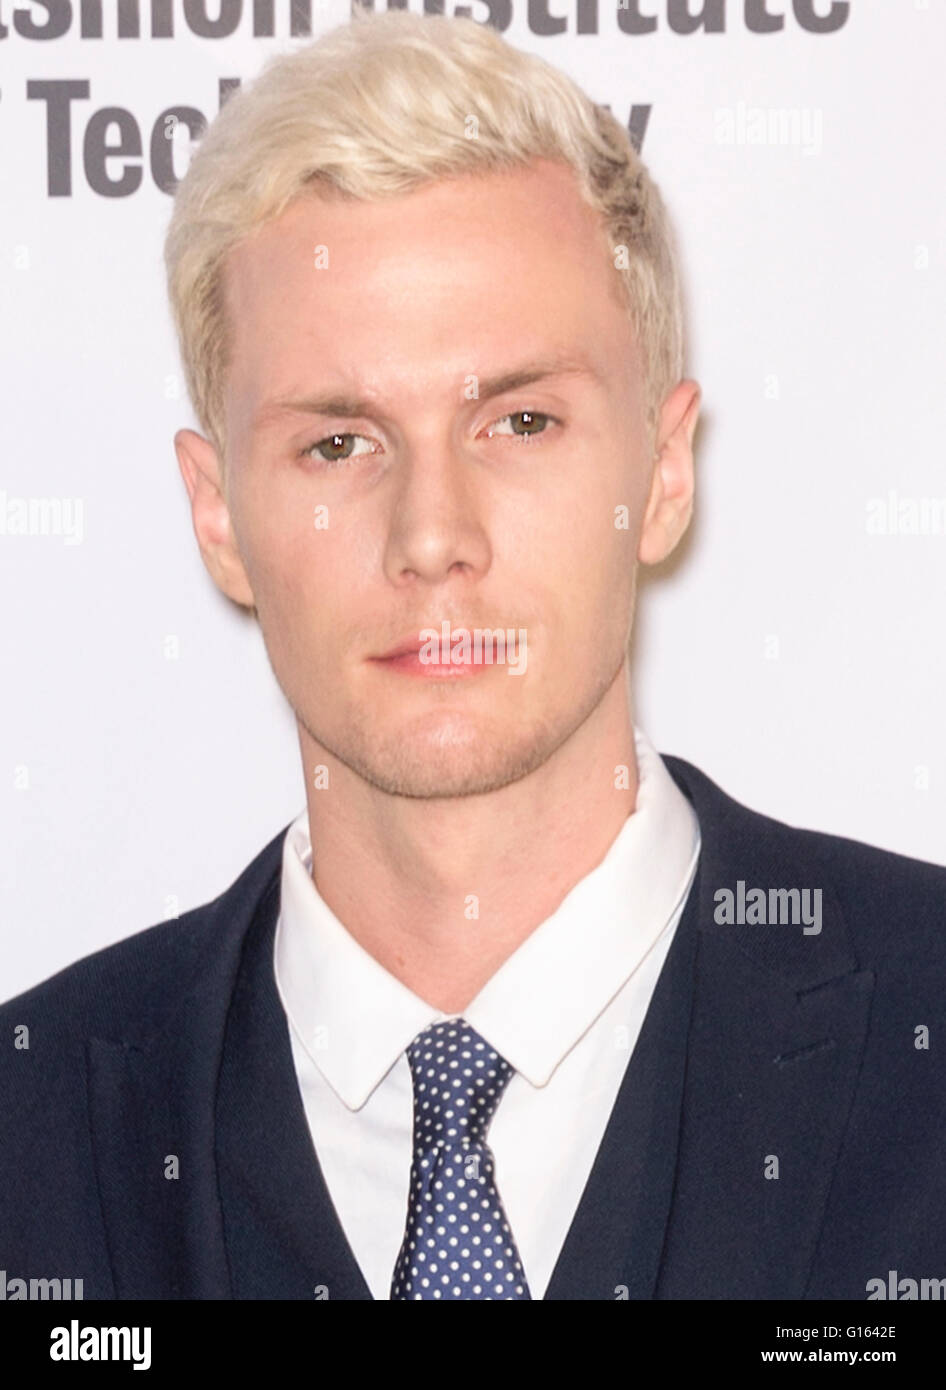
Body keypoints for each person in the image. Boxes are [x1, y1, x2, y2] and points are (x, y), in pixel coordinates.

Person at [1, 7, 944, 1303]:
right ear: (218, 517)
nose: (431, 535)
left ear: (662, 472)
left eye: (519, 420)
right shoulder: (29, 1128)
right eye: (338, 442)